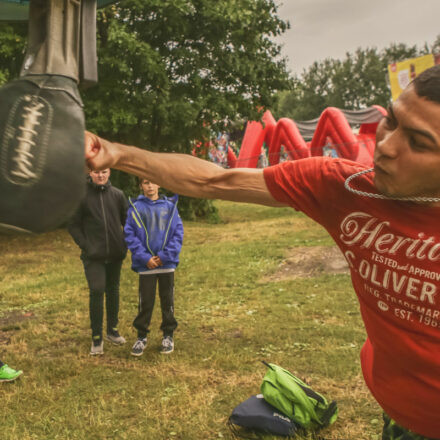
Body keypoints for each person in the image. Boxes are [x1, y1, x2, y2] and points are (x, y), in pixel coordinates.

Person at [84, 65, 440, 439]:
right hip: (398, 417)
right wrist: (115, 153)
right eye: (393, 121)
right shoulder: (347, 188)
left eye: (418, 142)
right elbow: (215, 179)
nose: (386, 145)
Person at [68, 169, 128, 355]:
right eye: (96, 172)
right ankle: (96, 338)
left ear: (109, 172)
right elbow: (73, 225)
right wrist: (86, 245)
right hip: (93, 256)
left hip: (115, 254)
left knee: (113, 290)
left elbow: (129, 222)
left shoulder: (118, 195)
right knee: (97, 290)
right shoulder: (81, 196)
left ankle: (112, 331)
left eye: (103, 171)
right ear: (89, 173)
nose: (100, 175)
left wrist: (124, 243)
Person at [124, 179, 183, 356]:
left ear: (159, 185)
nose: (150, 186)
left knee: (167, 301)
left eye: (153, 182)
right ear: (141, 186)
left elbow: (177, 234)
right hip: (146, 266)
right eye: (145, 182)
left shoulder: (170, 207)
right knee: (146, 302)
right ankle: (141, 336)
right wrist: (144, 257)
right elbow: (130, 235)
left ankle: (168, 335)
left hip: (166, 265)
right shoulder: (135, 208)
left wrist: (165, 256)